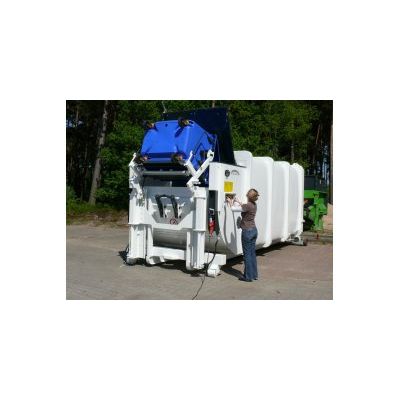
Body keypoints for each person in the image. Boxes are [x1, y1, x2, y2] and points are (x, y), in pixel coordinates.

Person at [228, 189, 259, 282]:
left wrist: (230, 202)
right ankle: (254, 275)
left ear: (248, 196)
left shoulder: (248, 205)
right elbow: (244, 207)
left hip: (247, 232)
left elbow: (234, 209)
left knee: (247, 255)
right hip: (254, 230)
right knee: (252, 253)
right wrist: (238, 202)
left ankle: (248, 277)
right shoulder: (254, 204)